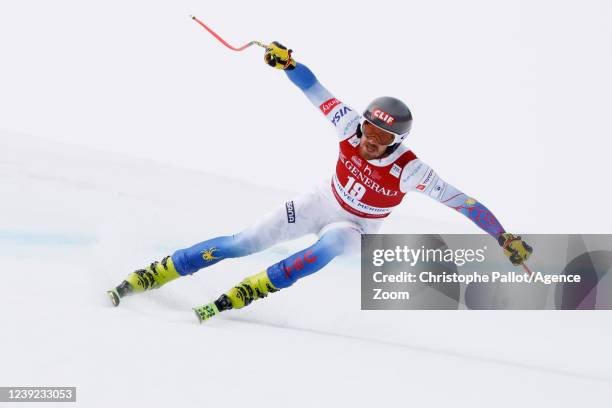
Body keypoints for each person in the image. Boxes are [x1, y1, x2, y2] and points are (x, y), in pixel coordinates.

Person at [106, 42, 533, 320]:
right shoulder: (350, 126)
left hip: (357, 227)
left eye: (383, 137)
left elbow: (464, 203)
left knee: (326, 249)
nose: (370, 140)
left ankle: (247, 291)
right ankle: (154, 273)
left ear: (397, 141)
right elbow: (315, 90)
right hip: (320, 201)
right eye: (369, 129)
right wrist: (289, 64)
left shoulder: (412, 169)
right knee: (241, 243)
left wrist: (503, 236)